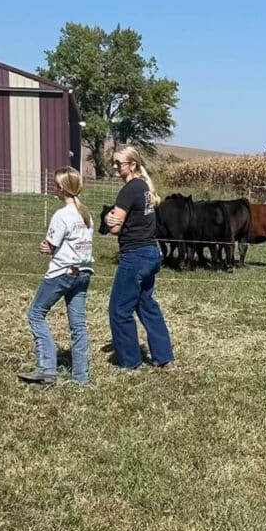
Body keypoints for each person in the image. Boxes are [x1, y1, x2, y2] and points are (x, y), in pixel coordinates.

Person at [18, 167, 94, 386]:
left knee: (35, 313)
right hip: (84, 271)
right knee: (77, 324)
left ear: (61, 188)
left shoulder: (62, 215)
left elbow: (50, 246)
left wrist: (46, 247)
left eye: (56, 184)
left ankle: (46, 369)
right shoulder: (86, 215)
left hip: (62, 272)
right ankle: (81, 376)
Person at [103, 146, 175, 369]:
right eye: (113, 162)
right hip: (150, 252)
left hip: (134, 255)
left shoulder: (129, 190)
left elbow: (115, 227)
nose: (115, 166)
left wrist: (107, 218)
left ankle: (129, 361)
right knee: (145, 305)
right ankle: (164, 356)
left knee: (119, 309)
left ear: (132, 165)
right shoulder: (144, 187)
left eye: (119, 163)